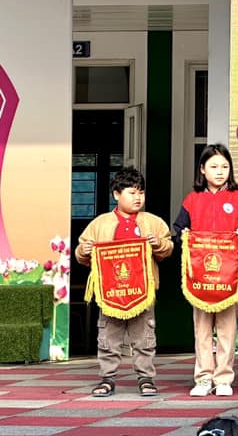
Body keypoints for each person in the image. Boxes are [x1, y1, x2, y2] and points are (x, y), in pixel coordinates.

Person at [76, 166, 173, 397]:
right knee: (108, 337)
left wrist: (158, 243)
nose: (138, 197)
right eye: (132, 192)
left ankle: (146, 378)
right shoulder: (100, 223)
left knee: (144, 337)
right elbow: (82, 252)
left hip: (143, 292)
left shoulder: (153, 222)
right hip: (110, 293)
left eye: (141, 192)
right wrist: (84, 250)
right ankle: (107, 379)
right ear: (116, 194)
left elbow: (168, 248)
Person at [173, 144, 238, 397]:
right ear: (202, 169)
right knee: (201, 330)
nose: (219, 172)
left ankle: (223, 379)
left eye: (224, 166)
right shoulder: (192, 200)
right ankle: (203, 378)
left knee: (226, 329)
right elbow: (179, 230)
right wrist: (184, 235)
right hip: (200, 277)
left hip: (230, 276)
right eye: (213, 166)